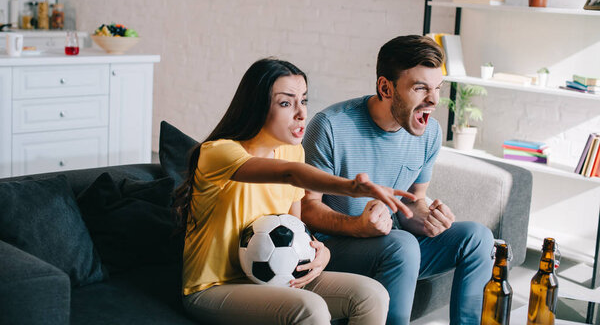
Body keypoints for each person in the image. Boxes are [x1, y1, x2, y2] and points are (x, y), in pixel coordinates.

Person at [172, 58, 418, 325]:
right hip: (213, 289)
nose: (301, 113)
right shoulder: (218, 153)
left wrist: (321, 253)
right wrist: (350, 188)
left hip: (276, 278)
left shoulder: (293, 151)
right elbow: (287, 172)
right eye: (286, 103)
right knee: (309, 308)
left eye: (304, 100)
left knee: (372, 295)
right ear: (257, 107)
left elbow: (296, 226)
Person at [301, 35, 495, 325]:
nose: (433, 100)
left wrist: (429, 219)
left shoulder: (429, 133)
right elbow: (307, 208)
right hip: (335, 248)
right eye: (420, 88)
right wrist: (358, 226)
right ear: (385, 88)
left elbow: (413, 203)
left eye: (437, 89)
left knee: (478, 237)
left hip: (393, 244)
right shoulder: (330, 126)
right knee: (402, 245)